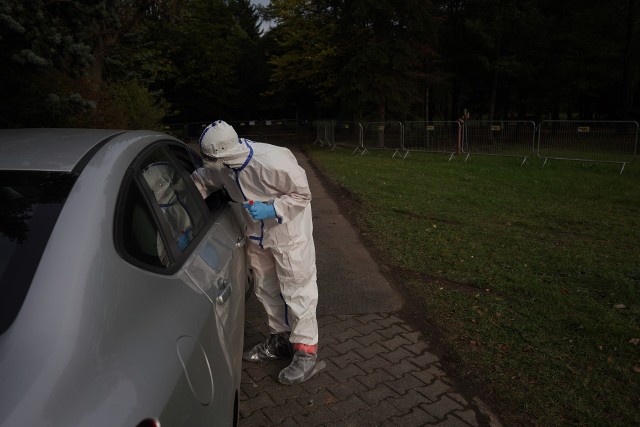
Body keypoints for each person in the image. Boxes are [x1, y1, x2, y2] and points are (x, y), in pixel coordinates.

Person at [191, 120, 320, 385]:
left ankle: (306, 352)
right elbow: (203, 180)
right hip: (256, 236)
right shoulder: (223, 167)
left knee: (297, 289)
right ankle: (280, 340)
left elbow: (303, 195)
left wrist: (273, 209)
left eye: (210, 158)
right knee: (266, 288)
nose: (209, 163)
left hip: (288, 235)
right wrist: (182, 212)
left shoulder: (272, 162)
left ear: (222, 153)